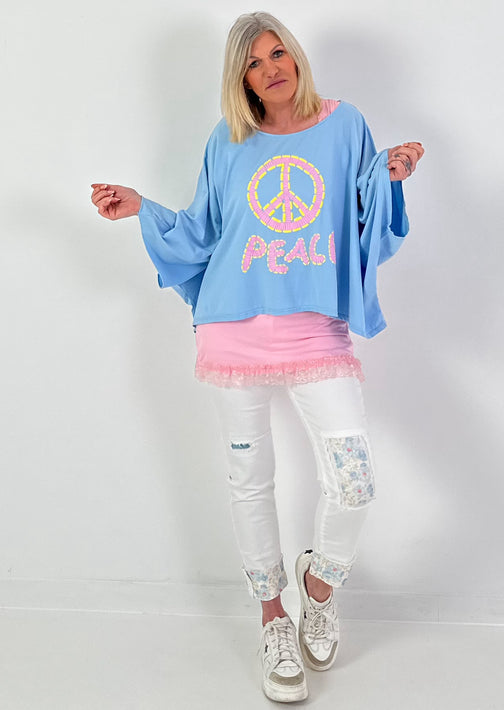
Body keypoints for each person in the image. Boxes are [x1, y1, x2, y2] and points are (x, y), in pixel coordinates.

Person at [91, 11, 424, 703]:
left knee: (354, 480)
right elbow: (203, 231)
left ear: (294, 56)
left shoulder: (343, 124)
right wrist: (142, 208)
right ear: (239, 78)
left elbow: (366, 212)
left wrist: (390, 173)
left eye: (277, 53)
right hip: (233, 332)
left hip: (315, 331)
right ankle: (273, 618)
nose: (270, 68)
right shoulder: (230, 139)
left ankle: (318, 585)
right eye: (253, 62)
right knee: (250, 481)